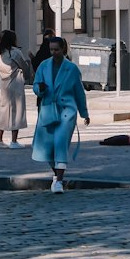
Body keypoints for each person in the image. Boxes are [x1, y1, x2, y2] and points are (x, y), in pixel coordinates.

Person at [31, 36, 90, 193]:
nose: (54, 52)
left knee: (60, 143)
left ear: (63, 49)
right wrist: (40, 89)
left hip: (67, 112)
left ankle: (59, 181)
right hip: (48, 110)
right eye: (51, 49)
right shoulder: (44, 66)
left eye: (56, 49)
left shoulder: (72, 69)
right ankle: (56, 174)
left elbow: (79, 92)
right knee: (46, 147)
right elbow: (35, 86)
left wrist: (84, 113)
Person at [0, 29, 32, 147]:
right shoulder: (15, 52)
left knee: (4, 110)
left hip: (4, 85)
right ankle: (14, 141)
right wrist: (27, 76)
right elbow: (24, 66)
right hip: (15, 83)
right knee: (17, 110)